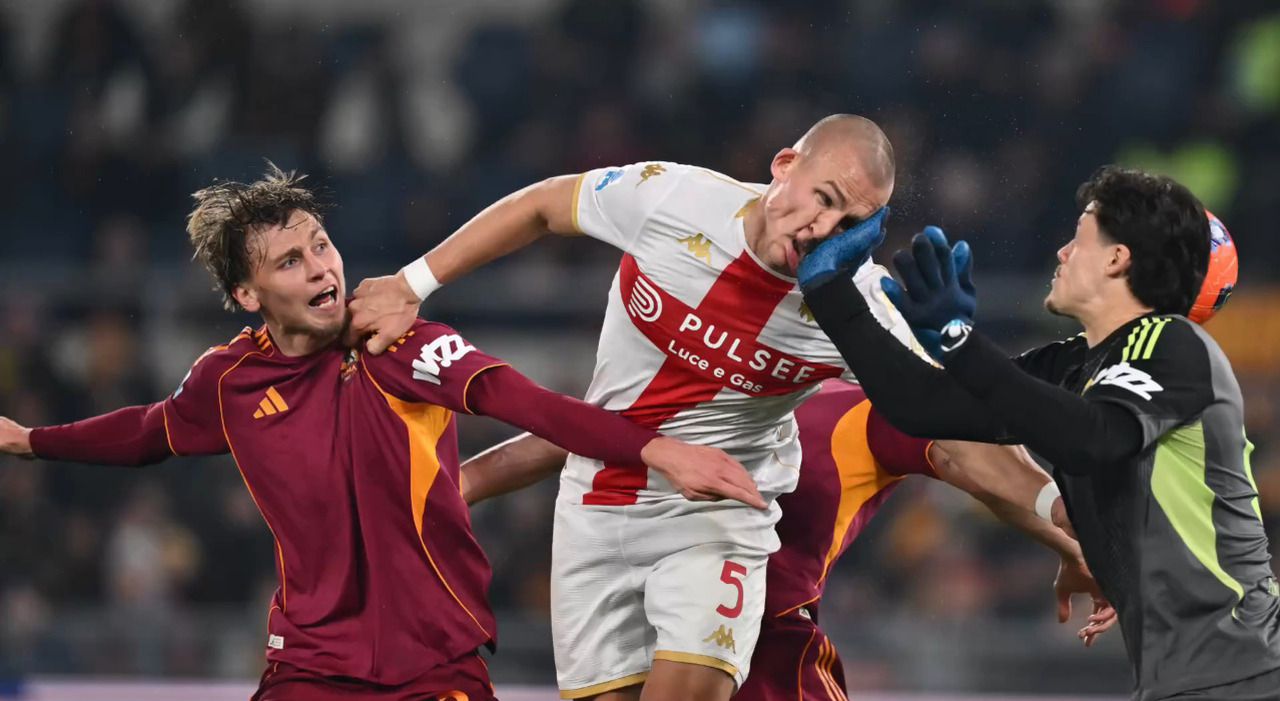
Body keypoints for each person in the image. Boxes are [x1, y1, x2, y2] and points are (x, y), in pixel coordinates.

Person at [345, 114, 1077, 701]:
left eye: (850, 221)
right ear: (784, 164)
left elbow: (956, 432)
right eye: (823, 197)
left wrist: (1069, 527)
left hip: (716, 518)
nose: (822, 229)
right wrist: (413, 284)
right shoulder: (675, 200)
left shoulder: (853, 307)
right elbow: (542, 208)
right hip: (594, 509)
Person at [0, 164, 760, 701]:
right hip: (308, 665)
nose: (320, 268)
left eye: (320, 245)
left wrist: (656, 449)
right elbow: (148, 432)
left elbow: (529, 403)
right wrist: (30, 440)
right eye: (290, 262)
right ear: (246, 293)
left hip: (436, 663)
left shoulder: (400, 345)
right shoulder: (227, 382)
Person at [798, 165, 1280, 700]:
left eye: (1078, 239)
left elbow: (1094, 439)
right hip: (1190, 682)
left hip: (1247, 675)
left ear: (1117, 259)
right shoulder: (1076, 363)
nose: (1062, 253)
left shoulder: (1173, 343)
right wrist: (828, 289)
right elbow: (923, 407)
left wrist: (961, 342)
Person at [458, 380, 1111, 701]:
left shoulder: (869, 408)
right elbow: (583, 427)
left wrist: (1069, 540)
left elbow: (979, 461)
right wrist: (453, 488)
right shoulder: (726, 377)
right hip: (664, 640)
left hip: (754, 650)